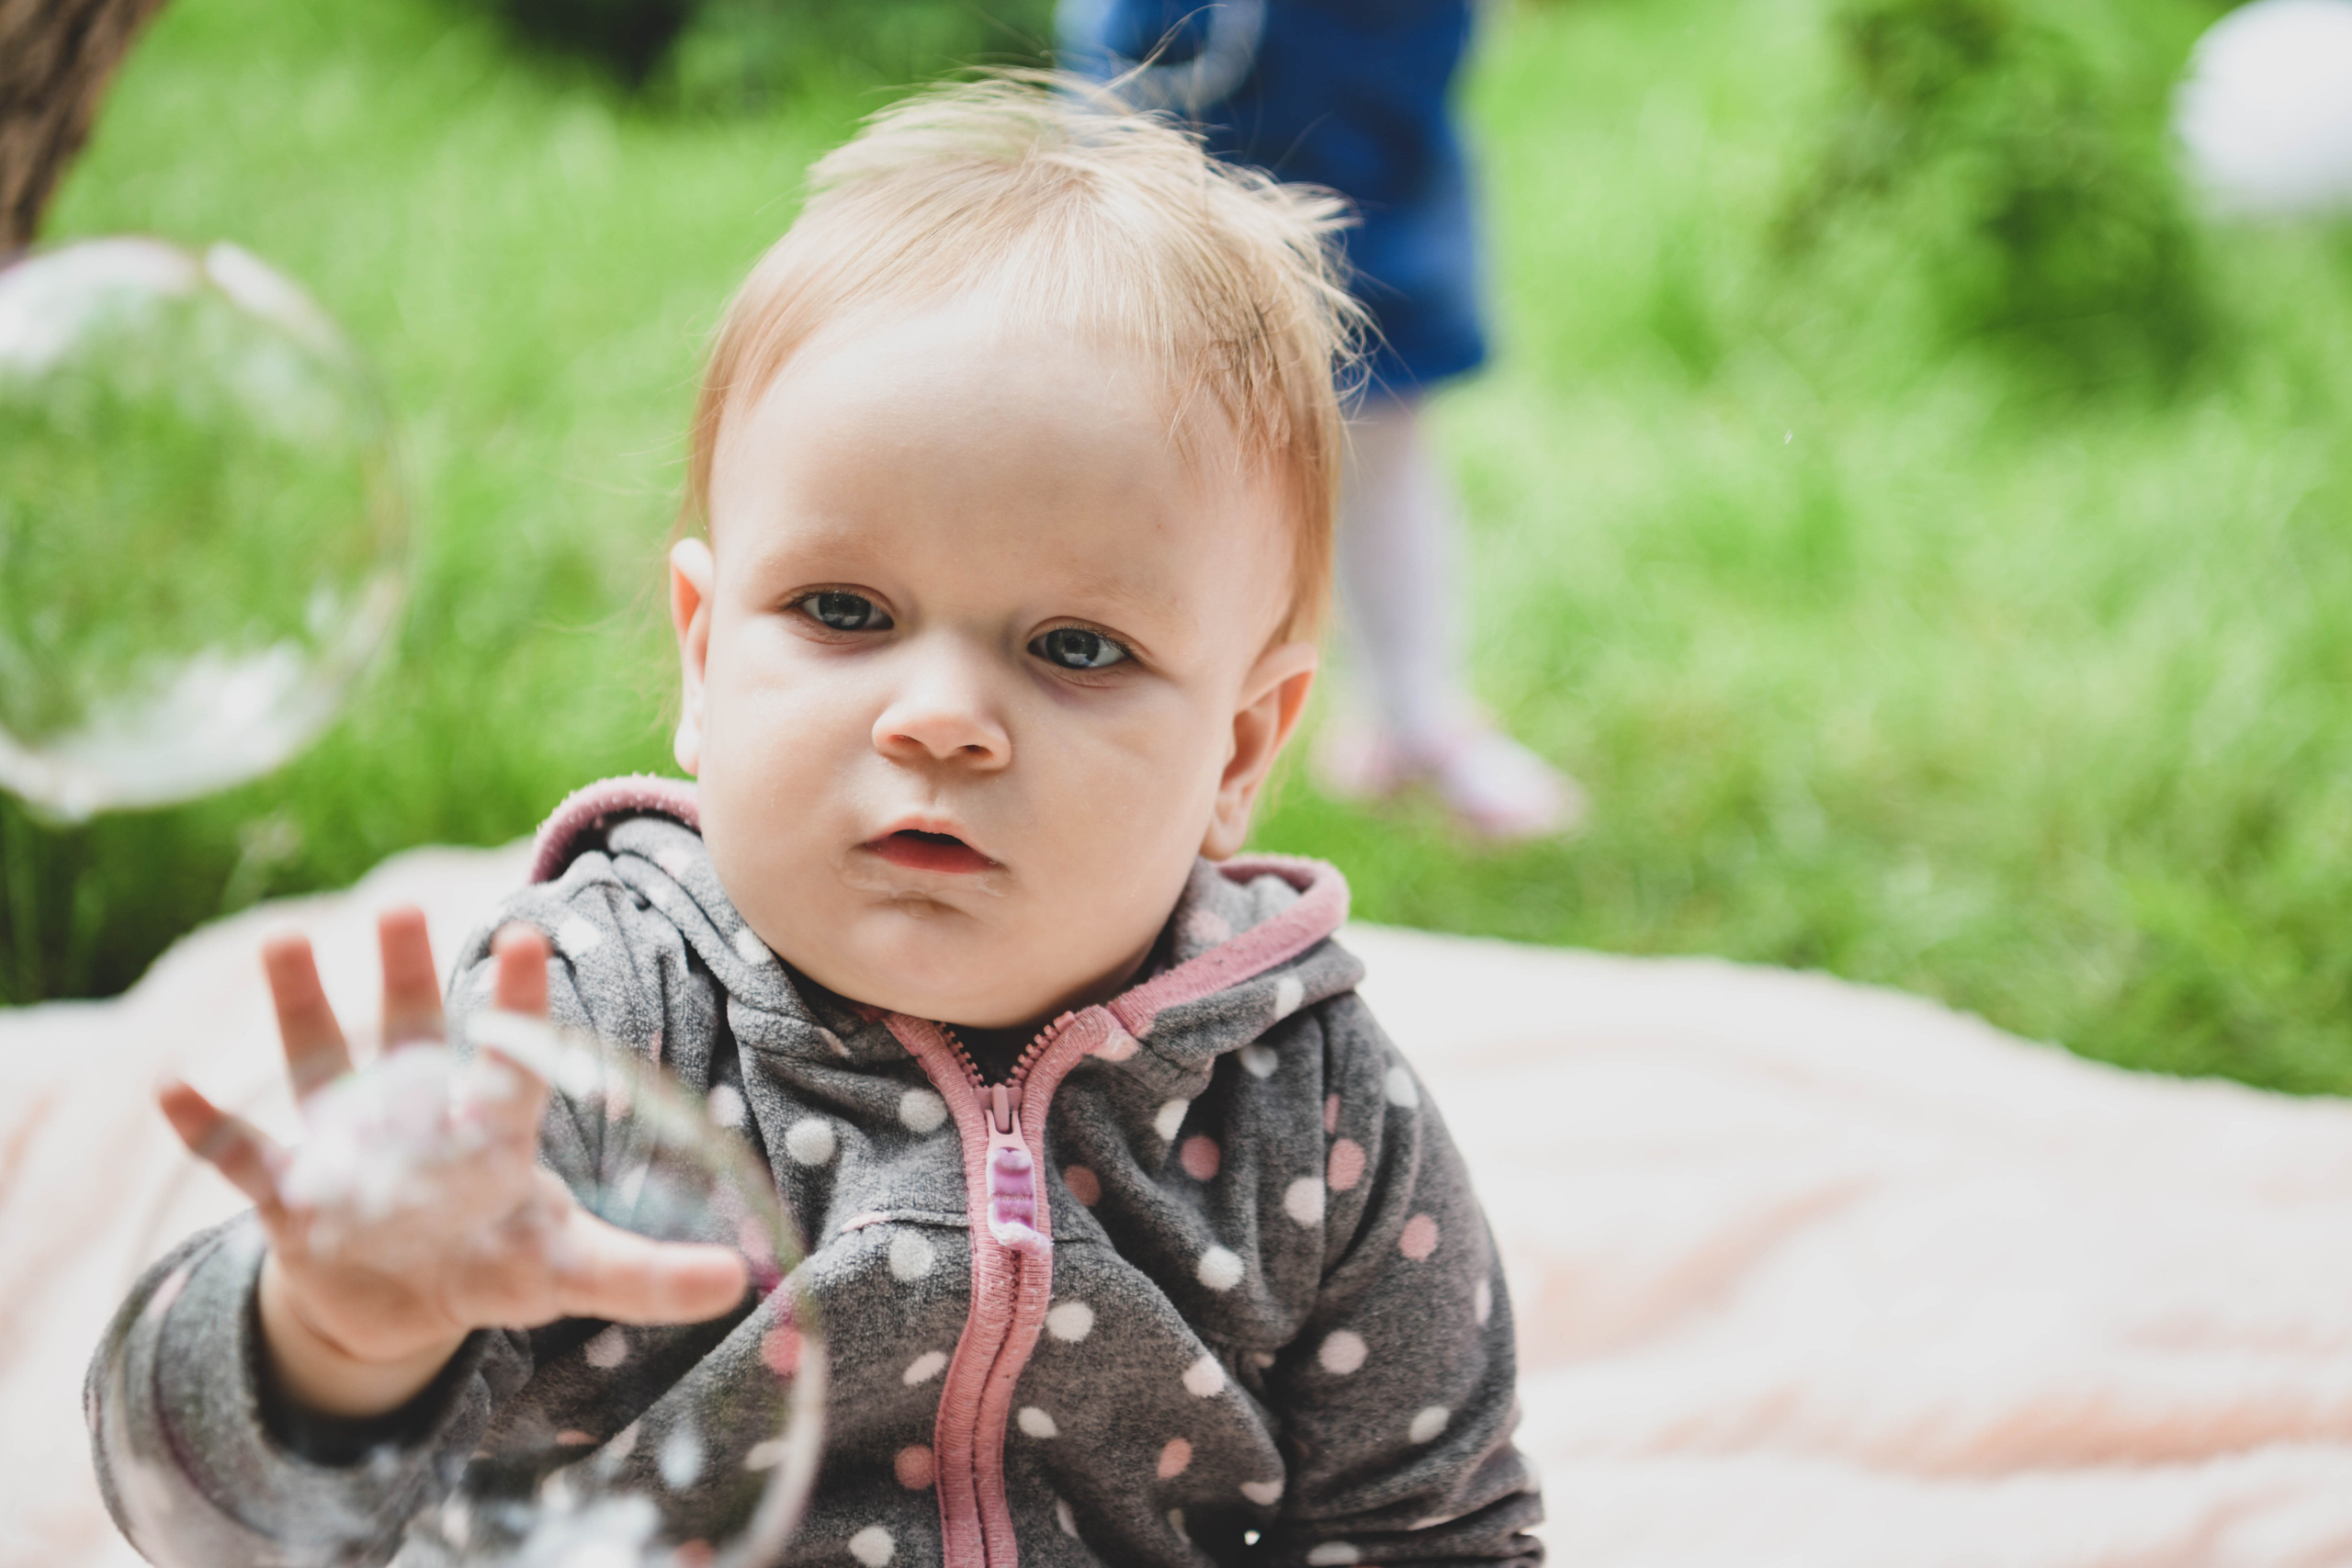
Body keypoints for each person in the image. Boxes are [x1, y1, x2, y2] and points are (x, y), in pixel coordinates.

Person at [88, 75, 1544, 1567]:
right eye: (844, 610)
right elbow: (206, 1518)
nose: (941, 717)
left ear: (1238, 747)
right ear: (704, 658)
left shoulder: (1309, 1100)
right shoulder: (588, 1030)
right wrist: (337, 1334)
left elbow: (1434, 1520)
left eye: (1076, 646)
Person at [1062, 0, 1585, 840]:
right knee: (1161, 421)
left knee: (1385, 404)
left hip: (1375, 93)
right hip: (1198, 81)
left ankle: (1412, 716)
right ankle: (1133, 729)